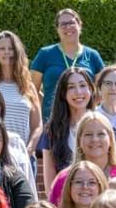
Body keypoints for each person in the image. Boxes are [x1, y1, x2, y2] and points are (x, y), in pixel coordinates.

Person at [30, 9, 106, 123]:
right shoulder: (45, 54)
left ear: (79, 26)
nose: (68, 27)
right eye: (63, 24)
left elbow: (103, 91)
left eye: (71, 22)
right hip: (52, 121)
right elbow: (31, 90)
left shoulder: (92, 55)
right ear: (57, 29)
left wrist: (87, 104)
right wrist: (47, 104)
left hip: (84, 122)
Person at [46, 111, 116, 206]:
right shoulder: (64, 179)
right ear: (79, 141)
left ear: (110, 140)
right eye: (88, 134)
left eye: (101, 134)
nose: (94, 139)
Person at [37, 66, 96, 197]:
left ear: (91, 90)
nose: (78, 92)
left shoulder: (101, 125)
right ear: (63, 93)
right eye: (71, 87)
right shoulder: (52, 130)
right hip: (65, 202)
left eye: (82, 85)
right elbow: (50, 185)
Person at [0, 30, 44, 156]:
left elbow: (37, 125)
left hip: (23, 156)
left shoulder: (28, 86)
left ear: (17, 52)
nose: (7, 52)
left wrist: (29, 150)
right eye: (2, 48)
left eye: (11, 48)